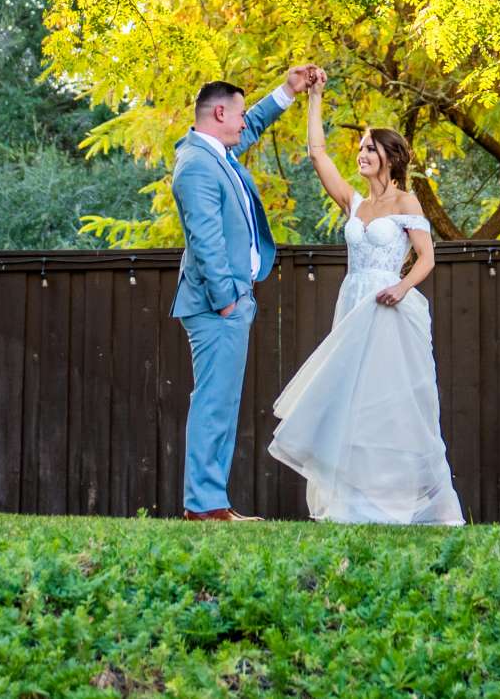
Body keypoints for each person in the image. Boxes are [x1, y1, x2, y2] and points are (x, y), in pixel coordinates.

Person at [266, 73, 464, 525]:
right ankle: (351, 506)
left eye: (370, 148)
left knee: (388, 404)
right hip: (352, 303)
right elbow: (317, 154)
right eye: (359, 148)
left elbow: (427, 258)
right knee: (348, 402)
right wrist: (315, 98)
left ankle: (399, 503)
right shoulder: (353, 203)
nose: (361, 154)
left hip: (388, 307)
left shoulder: (407, 203)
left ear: (390, 157)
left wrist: (400, 286)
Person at [170, 63, 322, 521]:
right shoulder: (197, 166)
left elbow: (253, 123)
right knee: (214, 403)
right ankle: (205, 506)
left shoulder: (215, 151)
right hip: (219, 305)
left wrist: (289, 91)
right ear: (218, 113)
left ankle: (211, 502)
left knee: (222, 401)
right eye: (236, 115)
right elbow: (206, 239)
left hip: (230, 302)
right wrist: (228, 299)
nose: (243, 123)